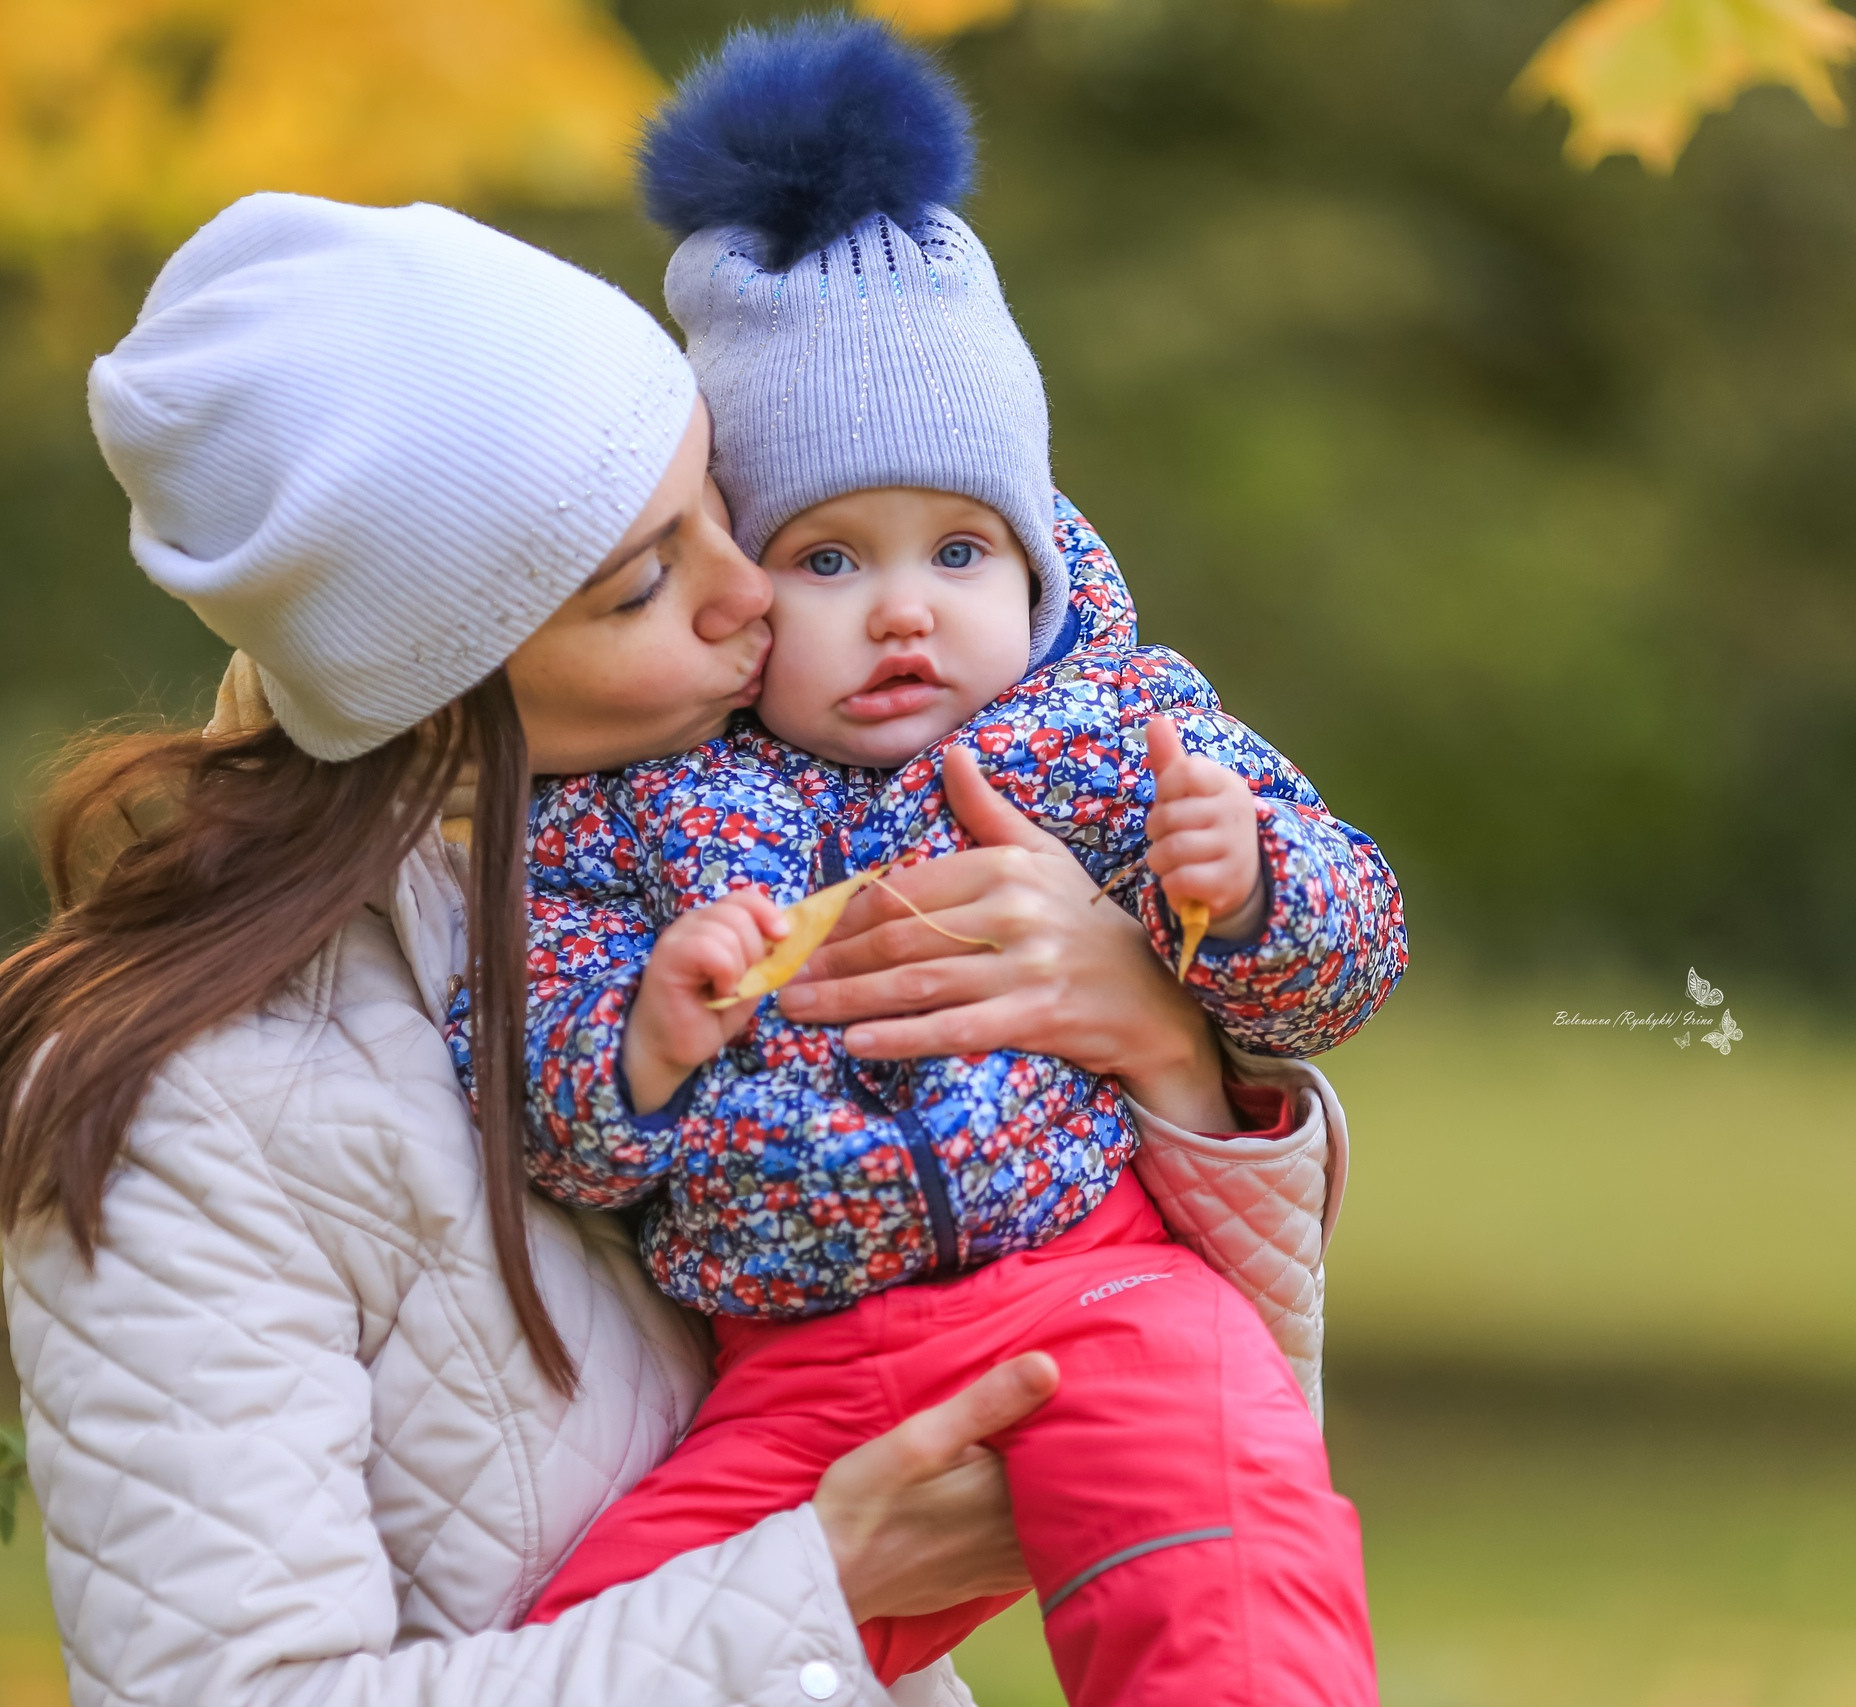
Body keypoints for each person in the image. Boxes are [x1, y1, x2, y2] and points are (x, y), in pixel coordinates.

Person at [0, 191, 1332, 1707]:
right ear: (439, 678)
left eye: (716, 512)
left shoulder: (808, 801)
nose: (755, 595)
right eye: (646, 581)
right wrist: (827, 1578)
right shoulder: (195, 1111)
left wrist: (1164, 1044)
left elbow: (1219, 1451)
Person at [516, 23, 1401, 1707]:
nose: (906, 607)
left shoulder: (1117, 730)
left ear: (1039, 550)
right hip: (796, 1360)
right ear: (735, 585)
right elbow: (545, 1093)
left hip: (1105, 1295)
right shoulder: (638, 807)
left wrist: (1253, 880)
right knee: (611, 1648)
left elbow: (1351, 958)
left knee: (1225, 1586)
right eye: (830, 556)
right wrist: (642, 1037)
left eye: (961, 547)